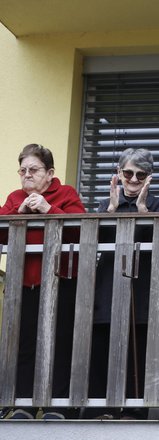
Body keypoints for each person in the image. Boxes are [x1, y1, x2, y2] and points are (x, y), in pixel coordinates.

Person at [1, 144, 86, 419]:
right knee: (24, 344)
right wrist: (20, 214)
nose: (27, 175)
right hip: (23, 285)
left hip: (60, 282)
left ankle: (55, 406)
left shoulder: (66, 194)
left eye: (33, 170)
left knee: (58, 344)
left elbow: (82, 228)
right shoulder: (15, 198)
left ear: (49, 173)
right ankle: (23, 405)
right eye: (23, 170)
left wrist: (50, 208)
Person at [85, 148, 159, 420]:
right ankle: (100, 409)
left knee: (138, 347)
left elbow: (158, 241)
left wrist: (142, 210)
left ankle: (134, 410)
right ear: (119, 173)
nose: (133, 179)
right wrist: (111, 210)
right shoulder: (106, 203)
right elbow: (94, 238)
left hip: (141, 287)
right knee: (103, 345)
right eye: (127, 173)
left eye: (140, 175)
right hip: (108, 283)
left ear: (149, 178)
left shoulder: (158, 204)